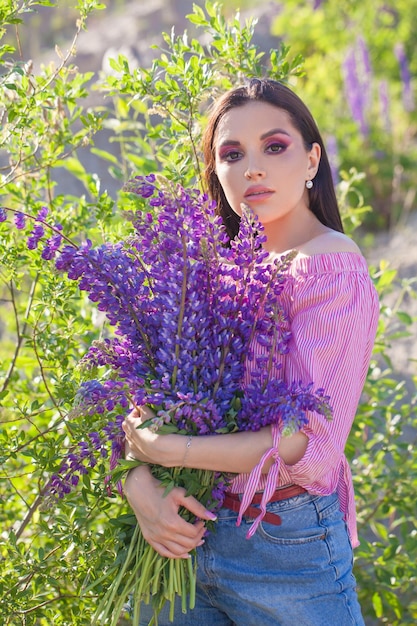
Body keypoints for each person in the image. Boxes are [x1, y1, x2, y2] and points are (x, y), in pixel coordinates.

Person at [122, 78, 379, 625]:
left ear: (312, 159)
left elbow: (301, 443)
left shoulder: (330, 266)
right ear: (216, 171)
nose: (252, 168)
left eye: (275, 146)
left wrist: (166, 453)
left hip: (284, 545)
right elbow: (137, 401)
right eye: (232, 154)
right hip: (180, 538)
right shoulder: (207, 271)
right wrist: (138, 483)